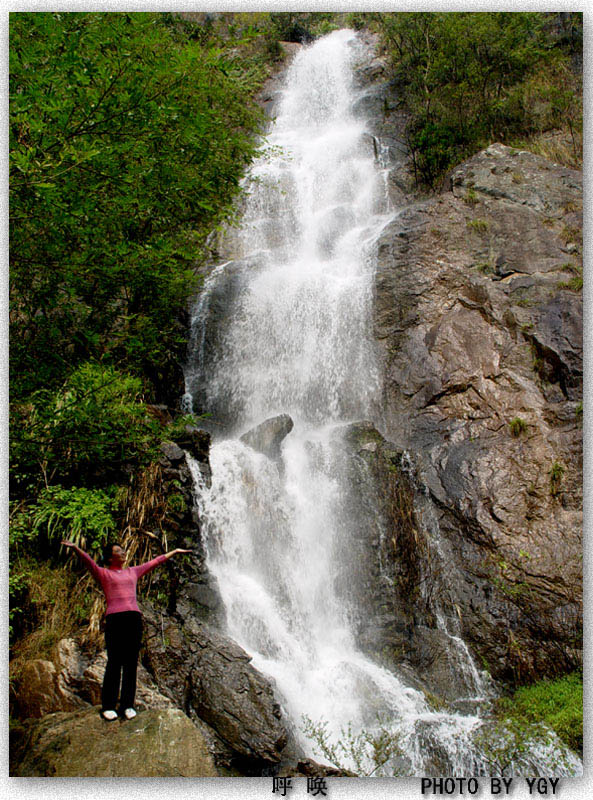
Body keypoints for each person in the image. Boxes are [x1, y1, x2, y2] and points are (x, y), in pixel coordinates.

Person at [61, 540, 192, 721]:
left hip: (134, 619)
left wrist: (175, 551)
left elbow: (155, 562)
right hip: (115, 620)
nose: (123, 553)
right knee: (114, 663)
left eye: (123, 550)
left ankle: (127, 705)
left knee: (131, 664)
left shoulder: (133, 571)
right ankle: (108, 706)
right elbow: (88, 562)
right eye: (118, 551)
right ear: (110, 557)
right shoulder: (104, 574)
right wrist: (76, 548)